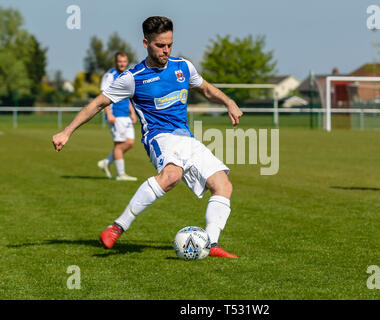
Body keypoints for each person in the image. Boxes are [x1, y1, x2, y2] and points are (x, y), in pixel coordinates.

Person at [52, 16, 243, 258]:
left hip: (187, 138)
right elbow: (97, 104)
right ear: (146, 43)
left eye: (169, 45)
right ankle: (117, 227)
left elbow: (205, 89)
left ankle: (210, 244)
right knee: (172, 175)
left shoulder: (183, 67)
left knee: (223, 185)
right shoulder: (133, 78)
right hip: (159, 138)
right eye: (160, 45)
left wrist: (229, 101)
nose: (166, 50)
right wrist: (67, 131)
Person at [97, 52, 138, 181]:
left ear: (127, 62)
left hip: (126, 114)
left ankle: (106, 162)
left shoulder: (128, 75)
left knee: (130, 143)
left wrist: (132, 112)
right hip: (116, 115)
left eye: (124, 61)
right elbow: (103, 95)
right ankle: (121, 174)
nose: (122, 64)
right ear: (115, 62)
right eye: (120, 61)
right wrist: (108, 113)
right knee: (119, 144)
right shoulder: (110, 76)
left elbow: (129, 95)